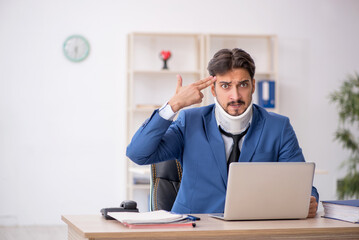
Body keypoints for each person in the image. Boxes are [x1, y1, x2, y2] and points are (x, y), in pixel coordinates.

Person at [127, 48, 319, 217]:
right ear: (213, 89)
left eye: (242, 84)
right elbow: (138, 153)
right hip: (194, 230)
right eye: (225, 86)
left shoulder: (278, 127)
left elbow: (301, 184)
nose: (235, 96)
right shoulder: (190, 121)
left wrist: (310, 199)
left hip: (252, 229)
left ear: (253, 85)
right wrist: (174, 105)